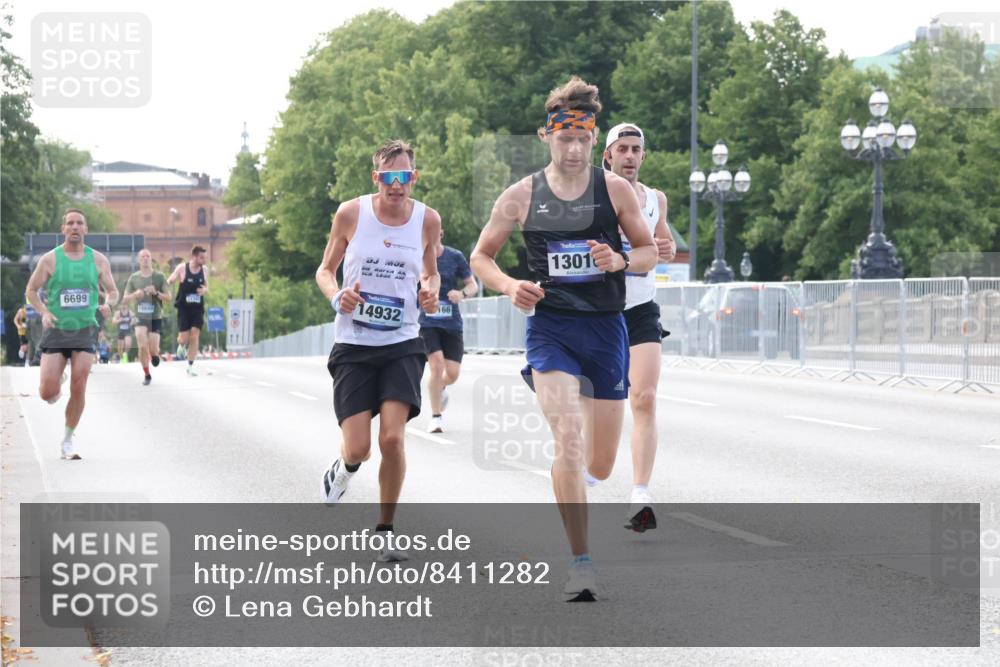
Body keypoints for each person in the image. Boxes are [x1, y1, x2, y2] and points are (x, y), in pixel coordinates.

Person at [470, 77, 656, 601]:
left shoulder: (614, 190)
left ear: (593, 140)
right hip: (550, 329)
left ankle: (576, 484)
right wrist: (510, 285)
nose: (573, 149)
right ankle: (581, 561)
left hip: (605, 330)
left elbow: (648, 252)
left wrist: (620, 259)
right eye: (563, 139)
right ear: (546, 137)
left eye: (582, 139)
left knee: (600, 463)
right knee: (568, 441)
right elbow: (482, 256)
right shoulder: (522, 195)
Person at [316, 139, 441, 562]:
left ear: (413, 178)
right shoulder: (352, 214)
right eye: (389, 177)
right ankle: (344, 470)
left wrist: (429, 291)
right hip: (353, 343)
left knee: (392, 438)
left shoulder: (427, 220)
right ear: (376, 178)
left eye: (404, 177)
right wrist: (337, 297)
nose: (397, 185)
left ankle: (385, 529)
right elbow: (325, 270)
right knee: (359, 448)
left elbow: (431, 272)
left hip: (403, 341)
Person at [603, 123, 677, 532]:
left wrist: (663, 248)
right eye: (622, 149)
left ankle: (640, 495)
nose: (630, 156)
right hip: (601, 311)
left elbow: (663, 246)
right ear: (608, 155)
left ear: (644, 156)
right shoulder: (598, 195)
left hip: (641, 308)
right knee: (601, 404)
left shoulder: (656, 198)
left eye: (636, 149)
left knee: (645, 397)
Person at [24, 209, 119, 460]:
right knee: (47, 392)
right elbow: (31, 291)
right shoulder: (49, 260)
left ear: (86, 229)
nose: (75, 227)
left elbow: (112, 290)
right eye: (70, 223)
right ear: (63, 228)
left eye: (79, 223)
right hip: (56, 329)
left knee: (80, 383)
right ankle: (57, 381)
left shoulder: (99, 260)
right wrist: (43, 311)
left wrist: (108, 304)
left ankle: (67, 439)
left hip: (85, 329)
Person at [419, 228, 478, 433]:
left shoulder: (455, 256)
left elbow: (473, 286)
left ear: (441, 233)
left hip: (452, 322)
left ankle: (440, 387)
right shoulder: (417, 257)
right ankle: (436, 417)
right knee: (436, 365)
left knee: (452, 374)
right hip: (427, 322)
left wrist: (461, 294)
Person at [126, 249, 171, 385]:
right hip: (140, 316)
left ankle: (155, 355)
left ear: (151, 259)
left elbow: (169, 297)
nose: (145, 258)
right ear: (139, 260)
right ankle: (147, 374)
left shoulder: (159, 276)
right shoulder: (134, 278)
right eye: (143, 256)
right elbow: (124, 298)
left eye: (148, 256)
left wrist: (156, 293)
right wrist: (135, 295)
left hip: (155, 316)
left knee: (152, 348)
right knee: (141, 345)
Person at [168, 245, 209, 376]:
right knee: (184, 338)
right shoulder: (182, 268)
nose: (203, 260)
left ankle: (190, 366)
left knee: (195, 333)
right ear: (194, 256)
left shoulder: (205, 269)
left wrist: (205, 290)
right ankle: (181, 345)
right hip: (184, 308)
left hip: (197, 308)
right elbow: (171, 278)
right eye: (201, 257)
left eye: (204, 257)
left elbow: (207, 286)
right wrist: (169, 282)